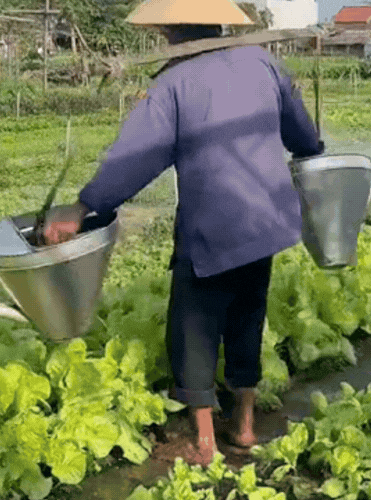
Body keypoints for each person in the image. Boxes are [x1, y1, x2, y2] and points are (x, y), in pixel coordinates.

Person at [42, 0, 323, 466]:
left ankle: (205, 440)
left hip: (212, 227)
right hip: (265, 220)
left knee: (193, 326)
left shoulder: (173, 83)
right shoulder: (264, 62)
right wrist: (312, 151)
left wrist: (84, 206)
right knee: (246, 318)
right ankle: (247, 425)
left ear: (171, 30)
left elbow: (136, 157)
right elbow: (303, 135)